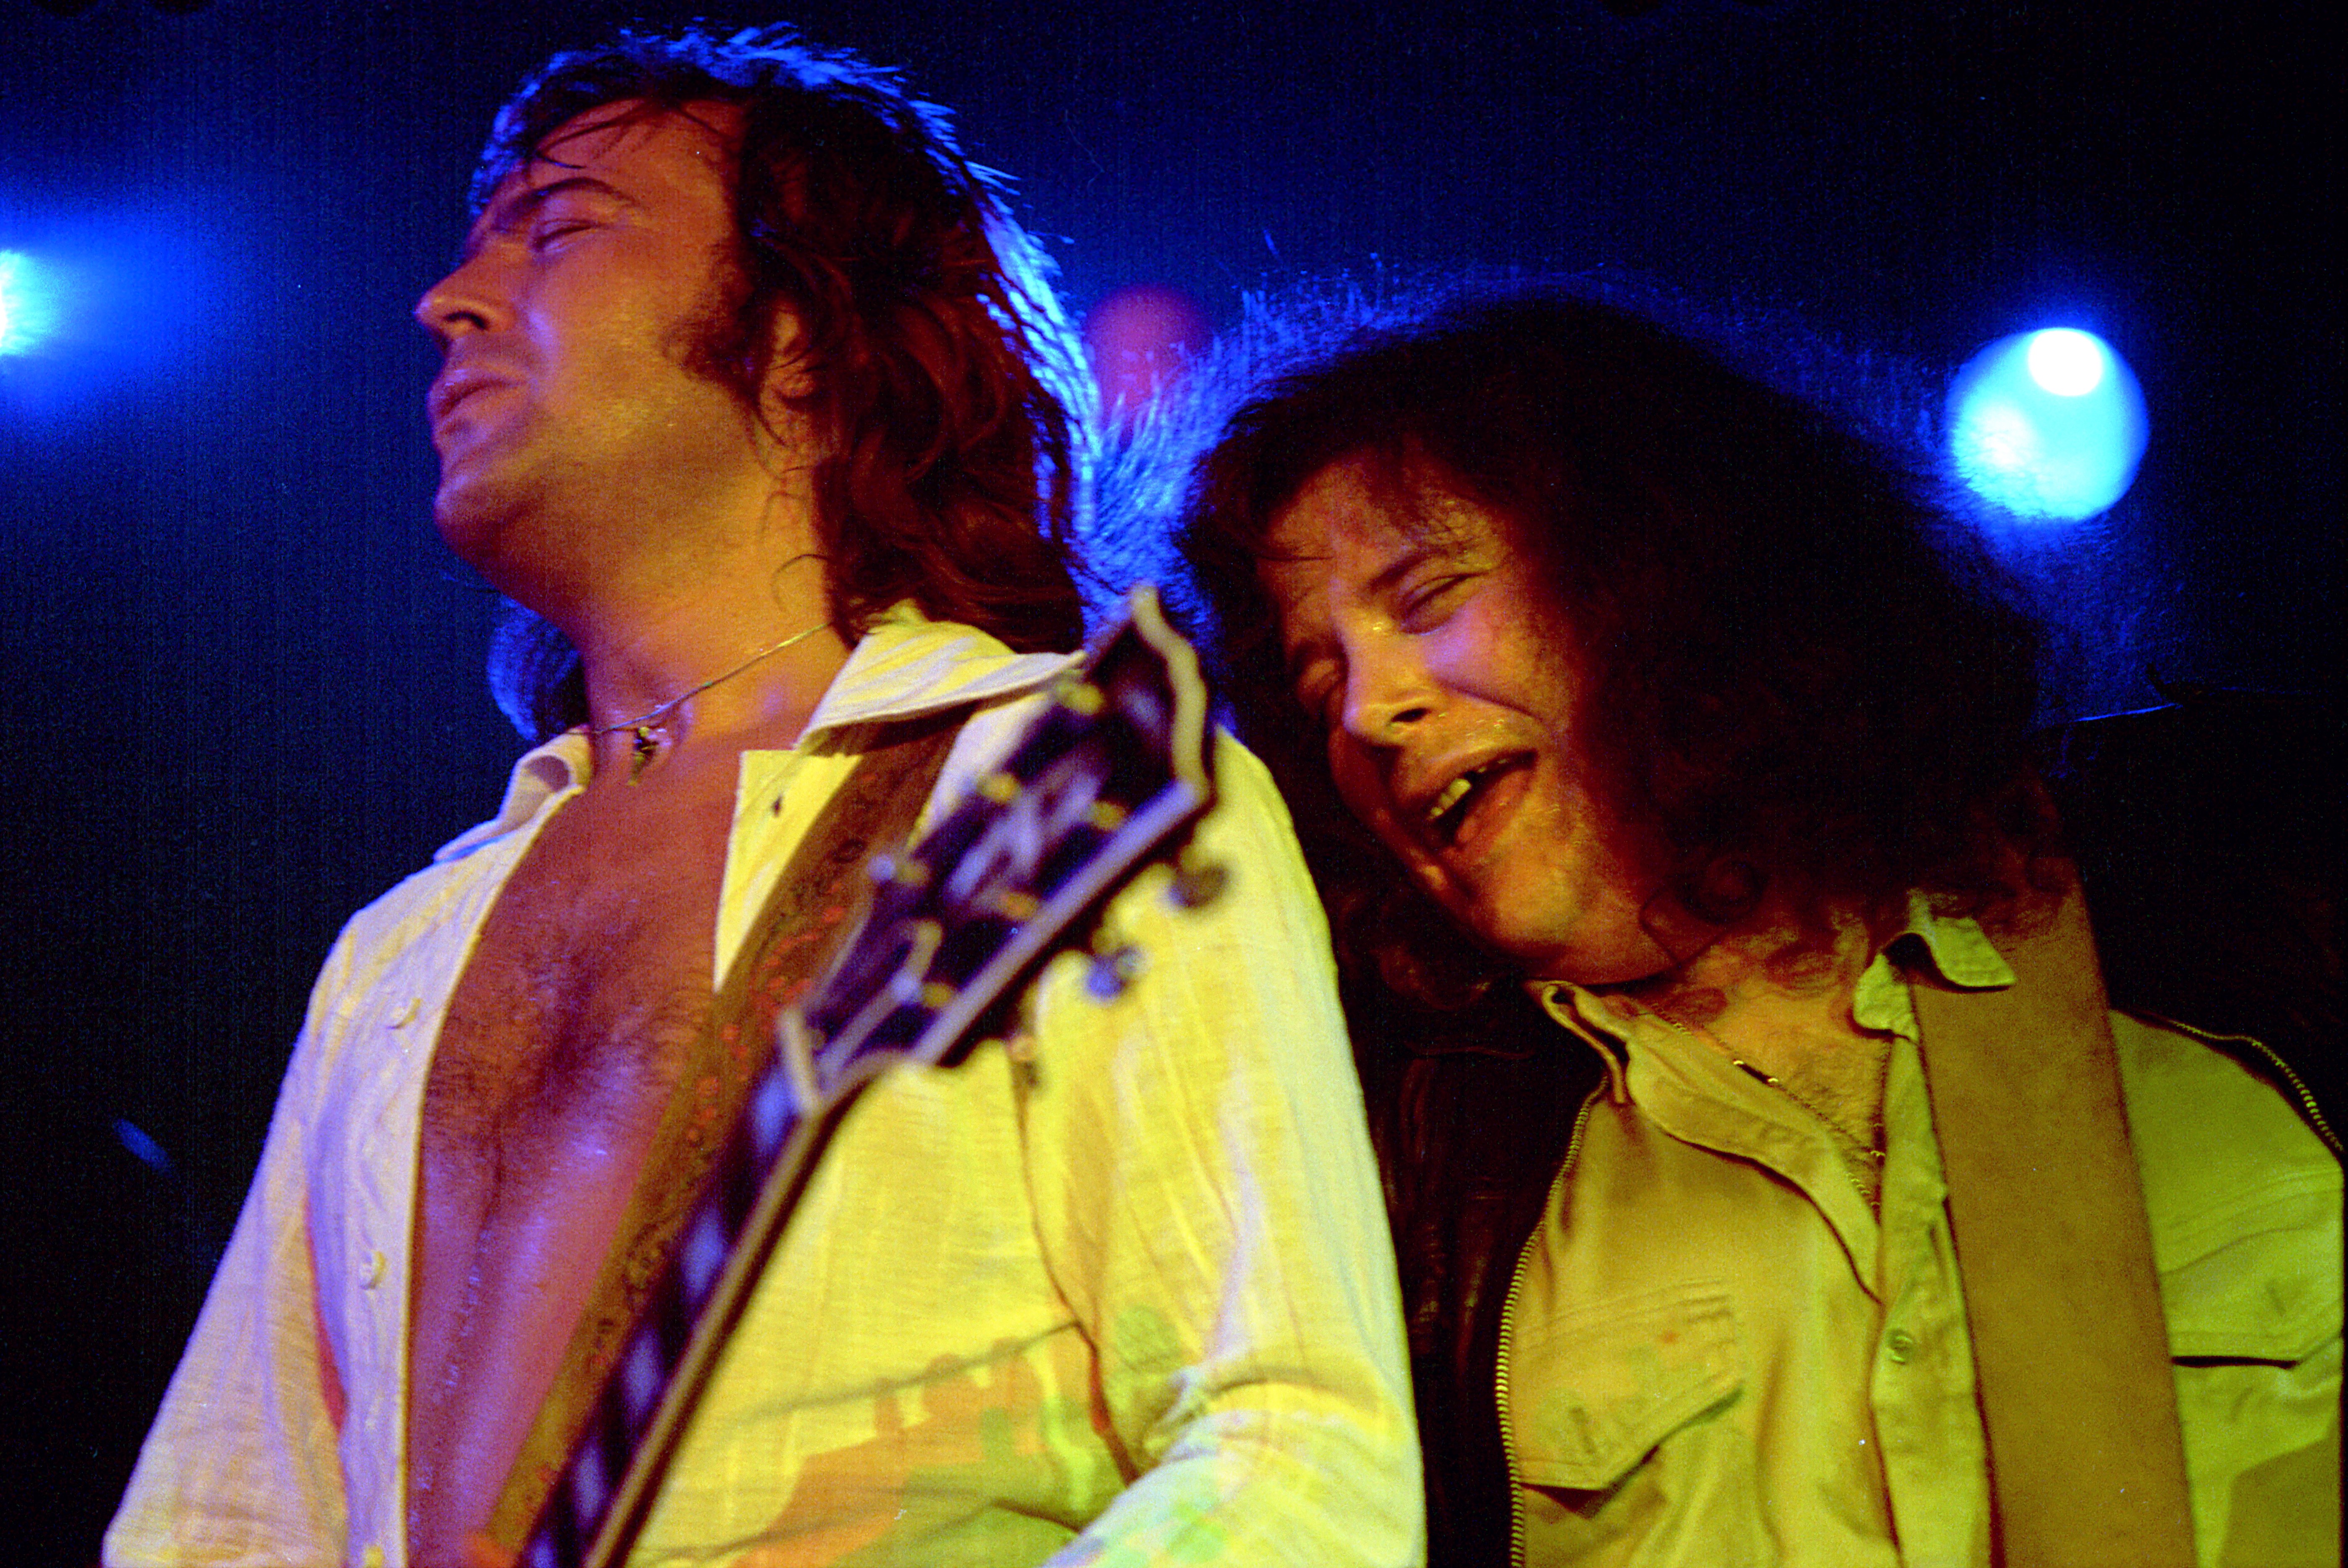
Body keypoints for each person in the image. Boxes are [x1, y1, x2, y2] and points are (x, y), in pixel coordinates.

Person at [107, 26, 1419, 1568]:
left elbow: (1290, 1452)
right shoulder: (396, 951)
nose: (445, 299)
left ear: (802, 334)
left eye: (557, 229)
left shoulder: (1072, 793)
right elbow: (225, 1519)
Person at [1177, 290, 2341, 1568]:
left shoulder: (2237, 881)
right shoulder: (1409, 1182)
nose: (1369, 710)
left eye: (1429, 596)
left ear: (1651, 569)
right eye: (1320, 683)